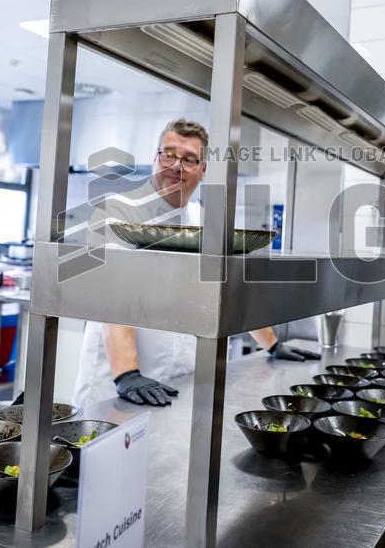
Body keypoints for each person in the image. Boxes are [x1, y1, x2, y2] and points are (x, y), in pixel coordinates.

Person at [73, 119, 319, 408]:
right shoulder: (117, 211)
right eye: (168, 154)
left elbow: (230, 290)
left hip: (178, 377)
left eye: (190, 159)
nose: (177, 165)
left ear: (203, 170)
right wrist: (127, 373)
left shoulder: (202, 219)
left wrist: (272, 344)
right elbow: (113, 298)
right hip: (117, 382)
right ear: (155, 159)